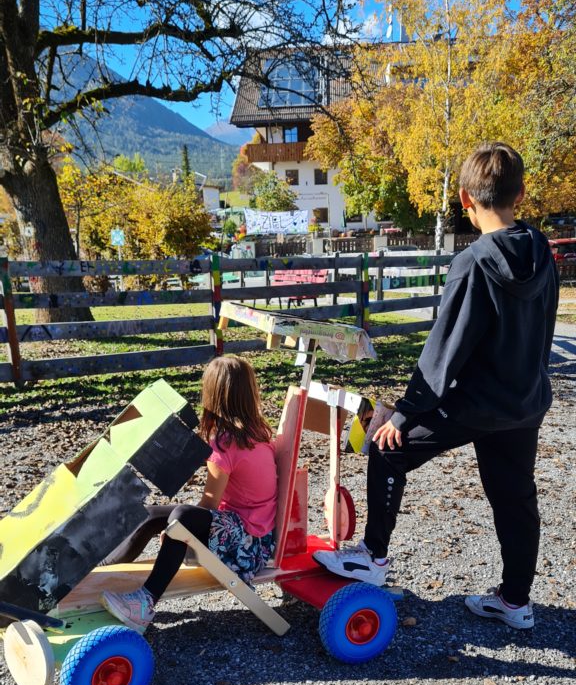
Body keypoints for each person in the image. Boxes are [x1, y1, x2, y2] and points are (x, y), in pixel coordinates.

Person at [314, 142, 559, 630]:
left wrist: (402, 415)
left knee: (388, 449)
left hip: (476, 403)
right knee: (515, 498)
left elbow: (444, 351)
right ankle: (516, 602)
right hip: (525, 403)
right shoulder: (544, 252)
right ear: (522, 194)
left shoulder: (474, 261)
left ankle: (373, 558)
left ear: (465, 199)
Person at [100, 356, 277, 632]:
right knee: (153, 515)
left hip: (248, 545)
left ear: (214, 395)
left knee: (180, 517)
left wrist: (177, 530)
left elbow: (209, 503)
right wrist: (175, 527)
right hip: (255, 536)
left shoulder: (225, 443)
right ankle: (101, 571)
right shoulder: (257, 431)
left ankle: (144, 604)